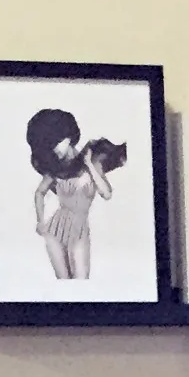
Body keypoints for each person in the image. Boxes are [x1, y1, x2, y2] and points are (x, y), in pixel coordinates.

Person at [26, 108, 125, 279]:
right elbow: (39, 193)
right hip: (55, 231)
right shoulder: (55, 169)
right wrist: (40, 221)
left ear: (69, 136)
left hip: (80, 230)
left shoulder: (92, 161)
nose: (54, 148)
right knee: (64, 285)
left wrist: (89, 165)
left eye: (56, 141)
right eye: (48, 145)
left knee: (81, 284)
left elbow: (107, 194)